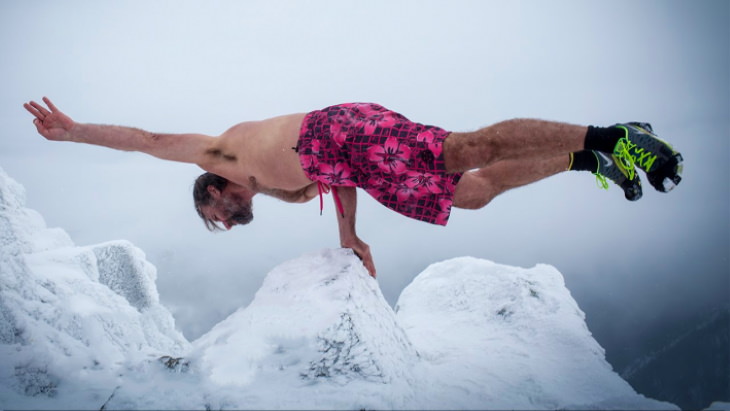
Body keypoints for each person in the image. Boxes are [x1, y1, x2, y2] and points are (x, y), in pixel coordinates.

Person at [24, 97, 683, 277]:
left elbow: (148, 141)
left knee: (467, 148)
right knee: (472, 191)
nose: (223, 220)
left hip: (345, 131)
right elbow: (334, 181)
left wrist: (77, 131)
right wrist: (349, 234)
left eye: (216, 215)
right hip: (351, 164)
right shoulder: (276, 190)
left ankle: (614, 135)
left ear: (212, 188)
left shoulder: (224, 150)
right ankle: (586, 160)